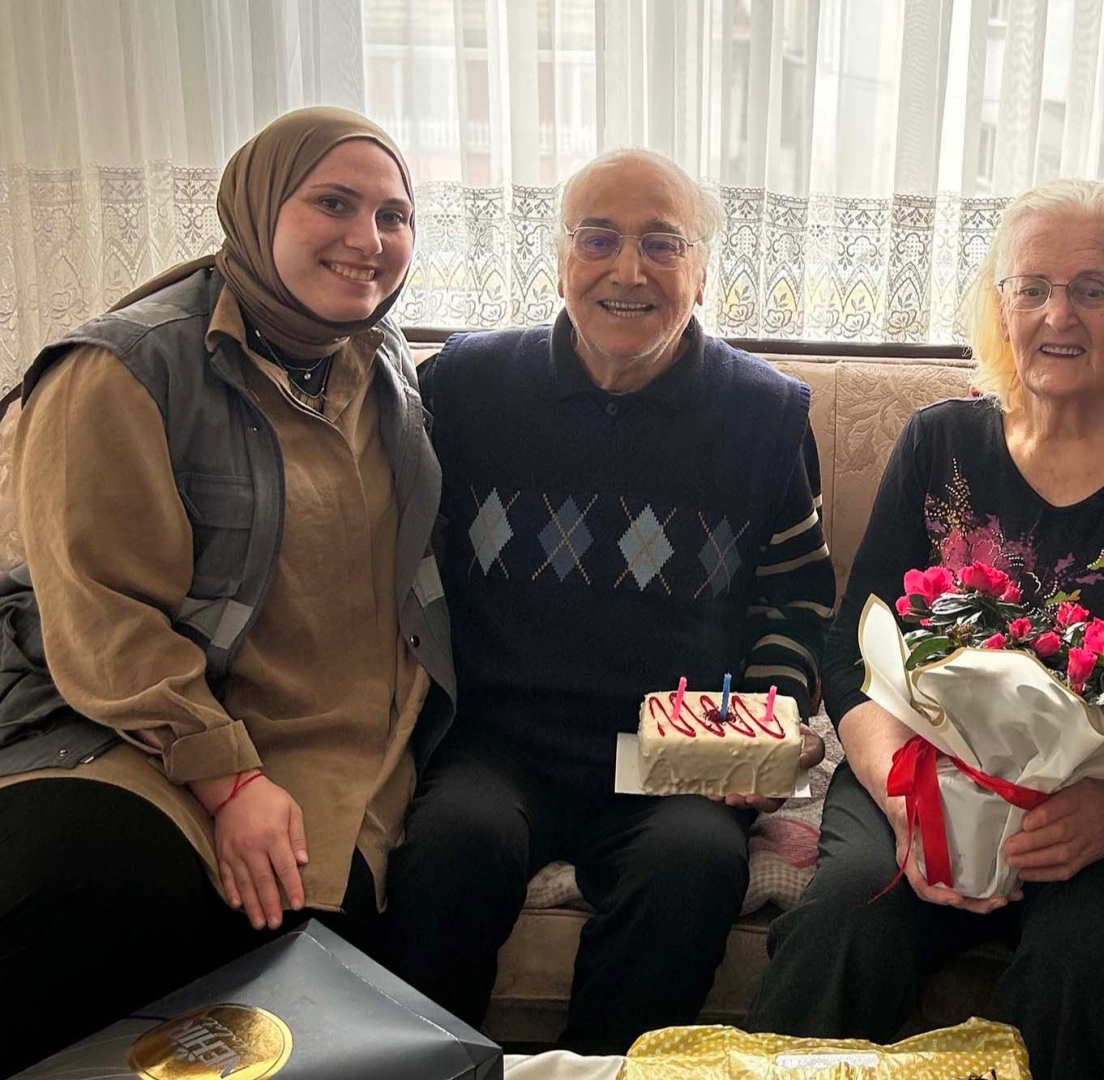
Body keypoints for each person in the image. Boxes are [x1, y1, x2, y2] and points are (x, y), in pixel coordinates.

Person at [746, 178, 1104, 1080]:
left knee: (1084, 969)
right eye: (1033, 288)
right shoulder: (938, 442)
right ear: (1000, 306)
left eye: (1092, 288)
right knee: (841, 930)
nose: (1059, 315)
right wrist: (907, 795)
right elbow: (852, 652)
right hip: (930, 780)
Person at [0, 107, 454, 1076]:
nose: (368, 239)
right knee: (92, 885)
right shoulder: (119, 370)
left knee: (314, 986)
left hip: (338, 740)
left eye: (393, 216)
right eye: (332, 204)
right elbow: (100, 614)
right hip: (132, 727)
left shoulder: (377, 358)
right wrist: (229, 778)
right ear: (255, 208)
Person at [375, 148, 834, 1053]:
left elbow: (793, 605)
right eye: (598, 240)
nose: (628, 270)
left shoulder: (766, 416)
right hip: (500, 736)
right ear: (559, 262)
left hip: (675, 745)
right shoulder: (463, 387)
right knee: (452, 849)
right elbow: (396, 566)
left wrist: (765, 733)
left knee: (691, 867)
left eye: (662, 243)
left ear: (700, 273)